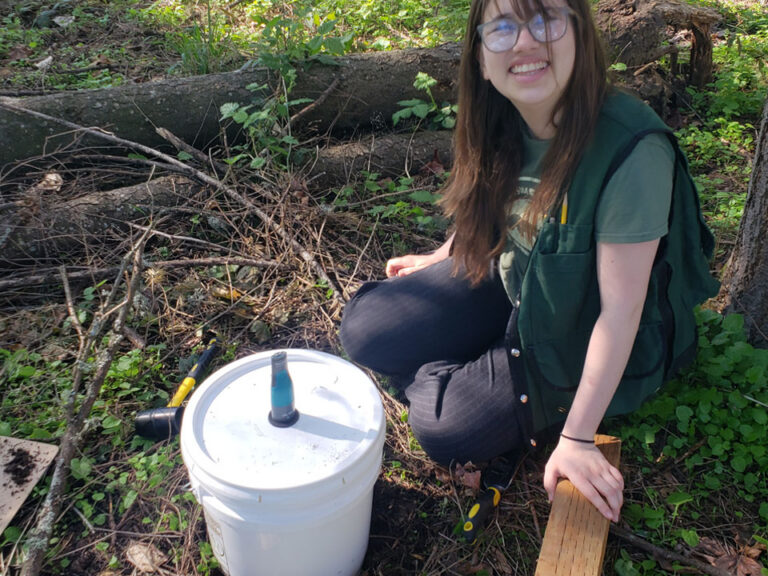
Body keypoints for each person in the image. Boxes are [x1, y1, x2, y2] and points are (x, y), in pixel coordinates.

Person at [340, 0, 719, 523]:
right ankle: (476, 353)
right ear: (479, 57)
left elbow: (621, 312)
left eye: (545, 18)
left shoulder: (630, 150)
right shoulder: (506, 112)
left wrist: (577, 438)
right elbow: (500, 203)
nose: (524, 42)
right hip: (519, 281)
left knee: (441, 426)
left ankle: (472, 367)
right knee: (364, 327)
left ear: (580, 32)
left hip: (574, 330)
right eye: (502, 27)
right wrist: (441, 256)